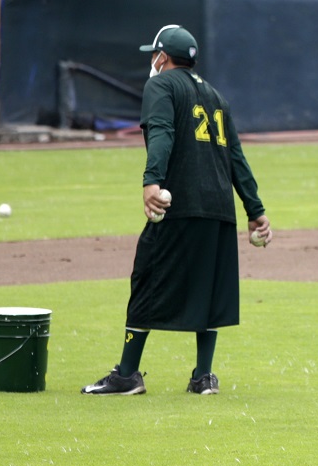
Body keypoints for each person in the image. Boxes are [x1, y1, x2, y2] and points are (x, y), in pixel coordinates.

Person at [82, 24, 272, 396]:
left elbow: (161, 130)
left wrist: (152, 180)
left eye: (152, 55)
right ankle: (203, 377)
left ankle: (127, 375)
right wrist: (255, 209)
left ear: (162, 57)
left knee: (146, 277)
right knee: (209, 288)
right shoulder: (217, 96)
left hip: (181, 203)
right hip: (219, 208)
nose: (151, 62)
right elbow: (236, 157)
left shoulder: (161, 85)